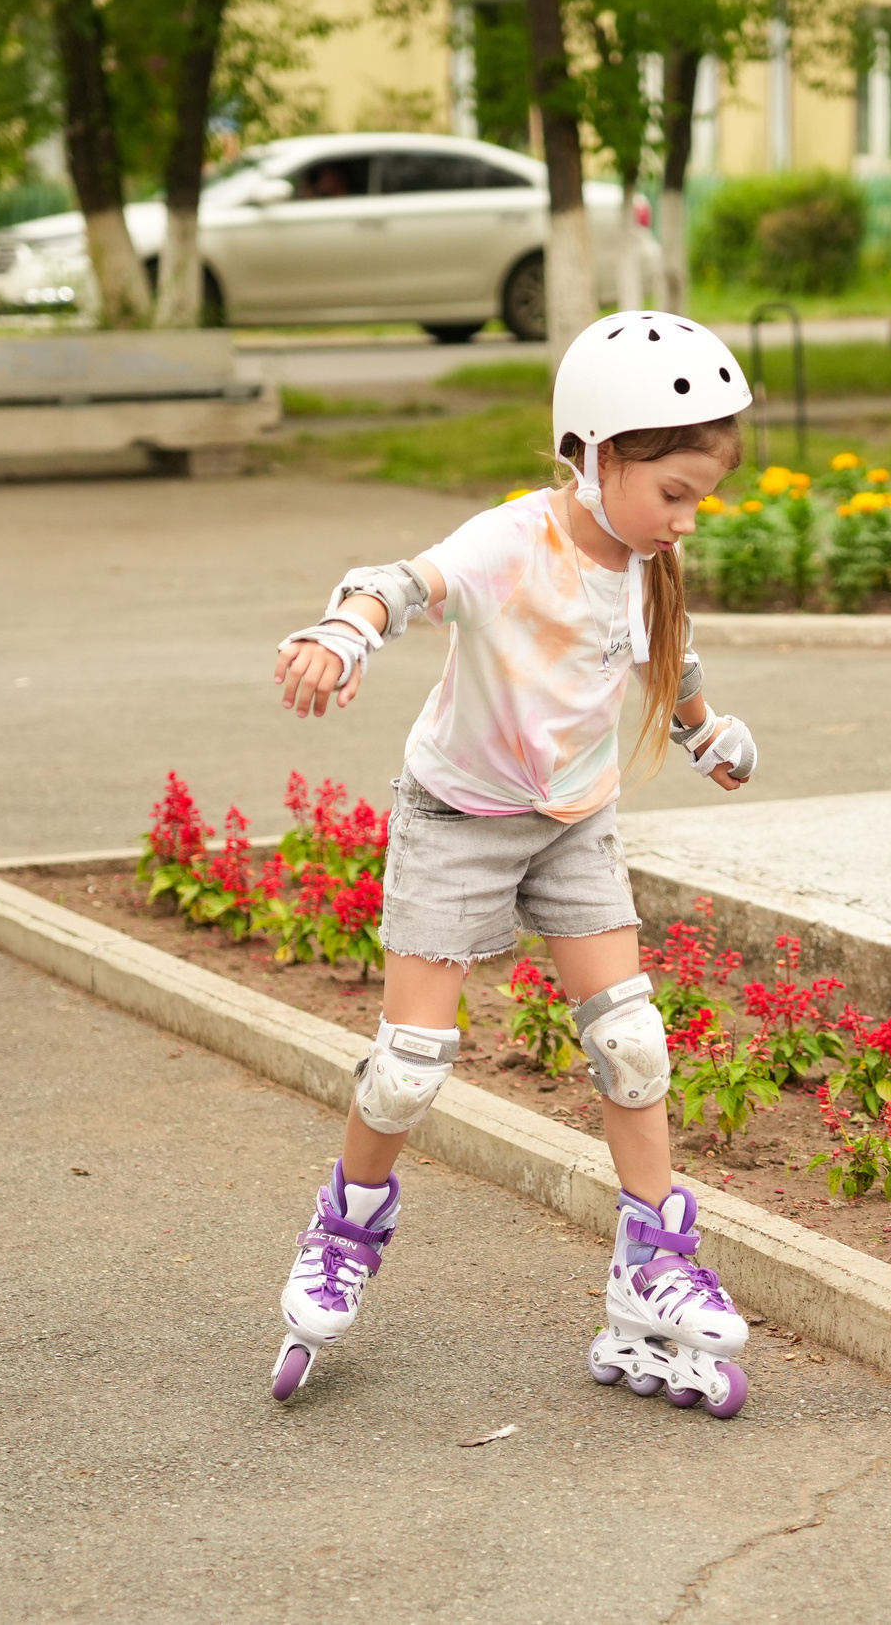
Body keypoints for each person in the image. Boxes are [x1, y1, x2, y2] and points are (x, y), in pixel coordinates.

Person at [265, 312, 763, 1417]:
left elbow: (662, 658)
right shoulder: (511, 540)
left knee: (632, 1046)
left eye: (698, 497)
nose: (685, 520)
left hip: (573, 821)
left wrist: (701, 731)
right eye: (674, 492)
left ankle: (653, 1265)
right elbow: (397, 584)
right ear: (592, 457)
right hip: (457, 815)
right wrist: (340, 634)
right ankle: (343, 1229)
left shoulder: (641, 560)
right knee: (409, 1062)